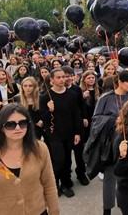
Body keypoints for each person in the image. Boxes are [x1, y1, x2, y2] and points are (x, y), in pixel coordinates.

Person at [0, 103, 60, 214]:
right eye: (10, 125)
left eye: (23, 123)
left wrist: (54, 211)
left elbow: (49, 184)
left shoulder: (40, 148)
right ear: (1, 128)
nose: (18, 128)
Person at [85, 70, 128, 215]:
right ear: (120, 81)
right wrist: (113, 120)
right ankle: (107, 208)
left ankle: (124, 202)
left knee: (127, 175)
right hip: (110, 143)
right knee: (110, 176)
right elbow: (95, 120)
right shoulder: (105, 98)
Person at [39, 68, 82, 198]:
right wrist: (49, 109)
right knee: (58, 160)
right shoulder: (46, 96)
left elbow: (76, 115)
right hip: (54, 134)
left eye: (63, 77)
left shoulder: (71, 95)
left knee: (67, 159)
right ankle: (53, 183)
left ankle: (66, 183)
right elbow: (43, 118)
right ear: (51, 80)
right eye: (58, 77)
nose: (62, 79)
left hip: (69, 133)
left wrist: (77, 132)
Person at [61, 66, 90, 186]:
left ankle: (81, 174)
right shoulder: (58, 90)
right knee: (66, 155)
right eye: (65, 76)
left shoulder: (76, 89)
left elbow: (81, 105)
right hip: (65, 125)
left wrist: (84, 117)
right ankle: (66, 177)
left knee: (79, 153)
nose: (67, 79)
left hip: (77, 124)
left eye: (69, 76)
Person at [14, 77, 46, 142]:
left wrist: (42, 120)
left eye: (30, 86)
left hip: (37, 128)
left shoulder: (41, 98)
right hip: (22, 127)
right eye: (25, 86)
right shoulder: (17, 98)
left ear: (34, 87)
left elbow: (44, 112)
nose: (27, 88)